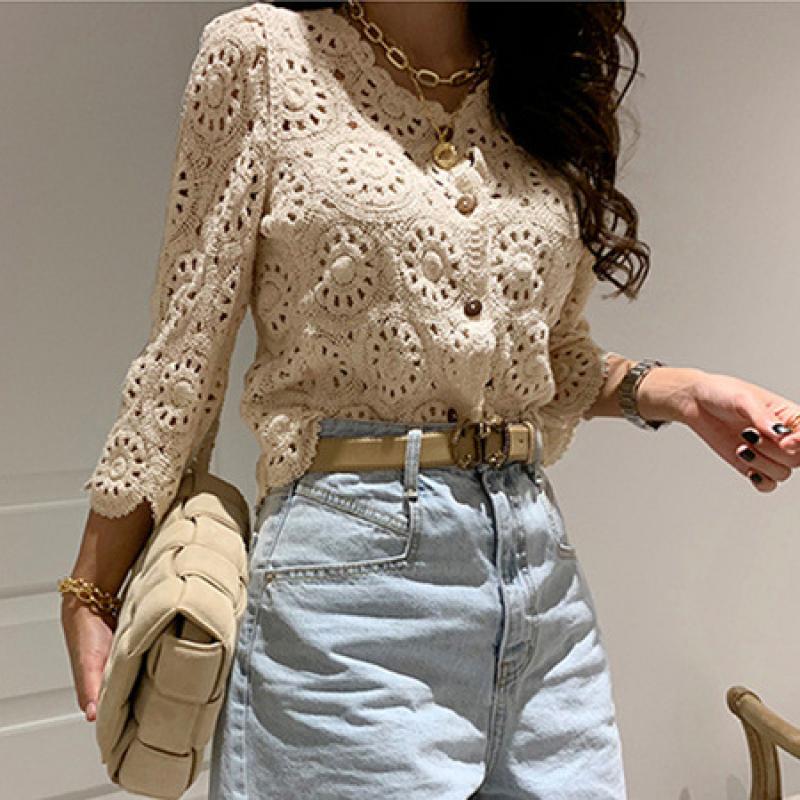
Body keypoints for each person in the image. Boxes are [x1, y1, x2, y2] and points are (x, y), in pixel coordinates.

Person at [60, 1, 800, 798]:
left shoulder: (531, 77)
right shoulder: (262, 54)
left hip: (543, 598)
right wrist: (94, 581)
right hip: (350, 600)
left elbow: (546, 362)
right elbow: (187, 338)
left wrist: (680, 393)